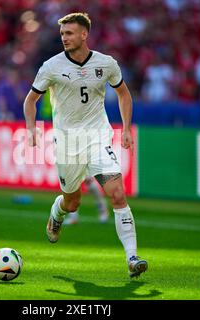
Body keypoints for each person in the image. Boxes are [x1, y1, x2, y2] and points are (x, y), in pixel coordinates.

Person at [23, 12, 147, 278]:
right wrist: (32, 128)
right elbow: (30, 100)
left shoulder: (107, 64)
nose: (64, 38)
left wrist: (125, 128)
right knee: (73, 202)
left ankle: (132, 258)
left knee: (117, 194)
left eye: (69, 33)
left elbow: (123, 93)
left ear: (83, 34)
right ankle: (57, 213)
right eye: (62, 34)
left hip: (98, 138)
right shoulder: (51, 66)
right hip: (67, 143)